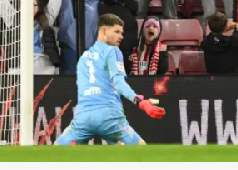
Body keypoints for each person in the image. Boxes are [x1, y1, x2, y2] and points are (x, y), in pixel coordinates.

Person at [55, 14, 166, 145]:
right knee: (142, 151)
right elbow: (118, 82)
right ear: (103, 31)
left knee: (56, 149)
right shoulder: (113, 51)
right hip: (110, 118)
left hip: (83, 118)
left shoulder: (84, 57)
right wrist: (139, 101)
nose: (121, 36)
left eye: (122, 33)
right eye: (117, 32)